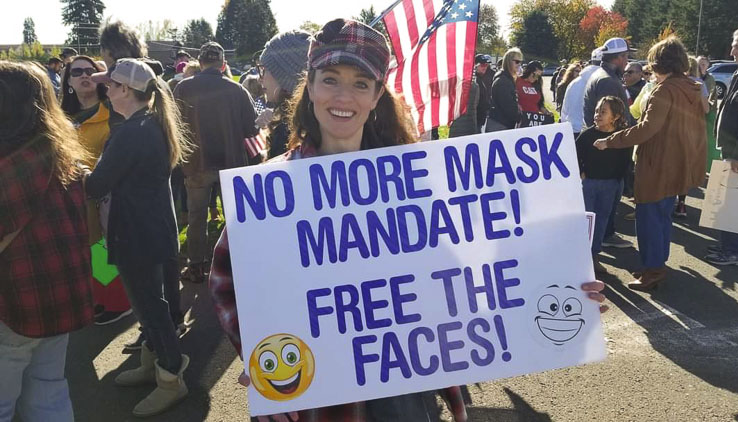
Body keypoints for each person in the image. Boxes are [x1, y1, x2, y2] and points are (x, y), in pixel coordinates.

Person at [209, 18, 608, 422]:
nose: (343, 96)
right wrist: (262, 355)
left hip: (403, 394)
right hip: (314, 401)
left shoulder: (415, 185)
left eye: (361, 83)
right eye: (330, 79)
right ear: (310, 86)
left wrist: (562, 285)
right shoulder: (270, 191)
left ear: (378, 93)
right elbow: (226, 279)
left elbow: (470, 274)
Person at [87, 59, 192, 417]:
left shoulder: (132, 131)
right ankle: (155, 364)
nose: (106, 90)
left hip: (137, 234)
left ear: (126, 91)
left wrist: (79, 170)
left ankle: (170, 377)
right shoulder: (148, 123)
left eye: (112, 85)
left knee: (150, 307)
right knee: (152, 305)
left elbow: (96, 184)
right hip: (152, 230)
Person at [0, 60, 93, 422]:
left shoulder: (8, 170)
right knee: (49, 391)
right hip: (58, 298)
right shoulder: (63, 160)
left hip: (13, 306)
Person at [593, 36, 706, 290]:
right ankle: (655, 264)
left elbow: (646, 129)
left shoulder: (665, 90)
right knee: (662, 217)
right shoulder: (691, 87)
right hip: (677, 162)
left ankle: (653, 270)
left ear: (660, 63)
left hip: (658, 164)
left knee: (649, 219)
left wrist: (610, 140)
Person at [99, 19, 184, 351]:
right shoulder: (148, 111)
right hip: (140, 202)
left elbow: (98, 182)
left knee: (146, 284)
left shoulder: (133, 124)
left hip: (131, 208)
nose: (103, 84)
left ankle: (163, 351)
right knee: (150, 283)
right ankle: (155, 333)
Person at [174, 41, 260, 283]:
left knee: (196, 217)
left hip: (196, 164)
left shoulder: (183, 88)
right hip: (231, 163)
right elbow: (250, 129)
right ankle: (237, 265)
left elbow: (173, 125)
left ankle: (196, 265)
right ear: (223, 65)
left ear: (200, 63)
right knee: (234, 218)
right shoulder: (236, 90)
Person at [60, 55, 134, 325]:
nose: (84, 75)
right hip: (70, 196)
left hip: (103, 195)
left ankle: (116, 302)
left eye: (89, 70)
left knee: (101, 249)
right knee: (83, 251)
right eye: (76, 71)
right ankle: (96, 299)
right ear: (67, 81)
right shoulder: (60, 118)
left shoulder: (111, 113)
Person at [704, 26, 738, 266]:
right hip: (732, 153)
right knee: (727, 203)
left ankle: (736, 252)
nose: (732, 51)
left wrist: (737, 156)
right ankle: (727, 246)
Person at [583, 38, 634, 250]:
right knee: (604, 205)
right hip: (607, 151)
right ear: (620, 58)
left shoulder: (603, 75)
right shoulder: (608, 81)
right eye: (626, 57)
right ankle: (603, 237)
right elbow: (609, 119)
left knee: (604, 204)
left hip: (604, 147)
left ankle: (602, 237)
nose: (627, 61)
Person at [576, 96, 631, 274]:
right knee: (586, 222)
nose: (597, 115)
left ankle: (594, 256)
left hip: (611, 186)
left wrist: (620, 182)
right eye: (597, 110)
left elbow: (626, 161)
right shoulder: (587, 135)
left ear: (615, 116)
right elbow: (575, 156)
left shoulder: (622, 136)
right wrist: (581, 172)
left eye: (603, 112)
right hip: (589, 185)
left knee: (601, 221)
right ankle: (580, 258)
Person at [257, 29, 311, 159]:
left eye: (263, 70)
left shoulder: (287, 133)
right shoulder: (315, 122)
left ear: (283, 77)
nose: (260, 78)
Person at [673, 56, 711, 218]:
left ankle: (669, 199)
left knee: (672, 165)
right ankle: (681, 204)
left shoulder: (674, 82)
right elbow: (706, 109)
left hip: (674, 128)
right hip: (692, 130)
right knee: (685, 167)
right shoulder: (700, 85)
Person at [561, 47, 603, 138]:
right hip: (595, 134)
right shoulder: (604, 82)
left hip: (572, 132)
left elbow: (564, 110)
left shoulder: (574, 83)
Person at [486, 48, 523, 132]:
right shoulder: (503, 81)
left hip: (503, 123)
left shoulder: (507, 79)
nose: (519, 65)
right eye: (517, 62)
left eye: (521, 62)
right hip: (499, 125)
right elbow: (508, 106)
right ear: (509, 61)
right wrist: (520, 118)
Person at [698, 55, 721, 172]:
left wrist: (706, 107)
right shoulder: (692, 77)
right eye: (698, 64)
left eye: (703, 64)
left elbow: (711, 97)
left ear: (707, 66)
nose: (700, 67)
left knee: (710, 141)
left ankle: (710, 168)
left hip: (708, 113)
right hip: (694, 114)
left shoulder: (710, 79)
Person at [474, 54, 492, 130]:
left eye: (486, 65)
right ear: (475, 66)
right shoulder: (474, 80)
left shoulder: (481, 78)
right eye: (482, 65)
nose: (485, 67)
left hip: (480, 119)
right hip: (474, 120)